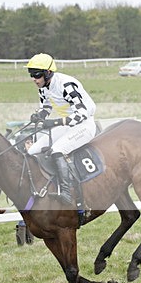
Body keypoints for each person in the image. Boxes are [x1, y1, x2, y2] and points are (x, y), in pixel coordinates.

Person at [26, 53, 97, 204]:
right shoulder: (43, 87)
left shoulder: (66, 85)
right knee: (32, 151)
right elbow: (46, 106)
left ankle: (67, 192)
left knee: (57, 150)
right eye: (31, 75)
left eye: (37, 75)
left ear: (48, 73)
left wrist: (55, 122)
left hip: (84, 125)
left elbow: (82, 113)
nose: (34, 79)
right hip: (67, 125)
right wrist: (39, 116)